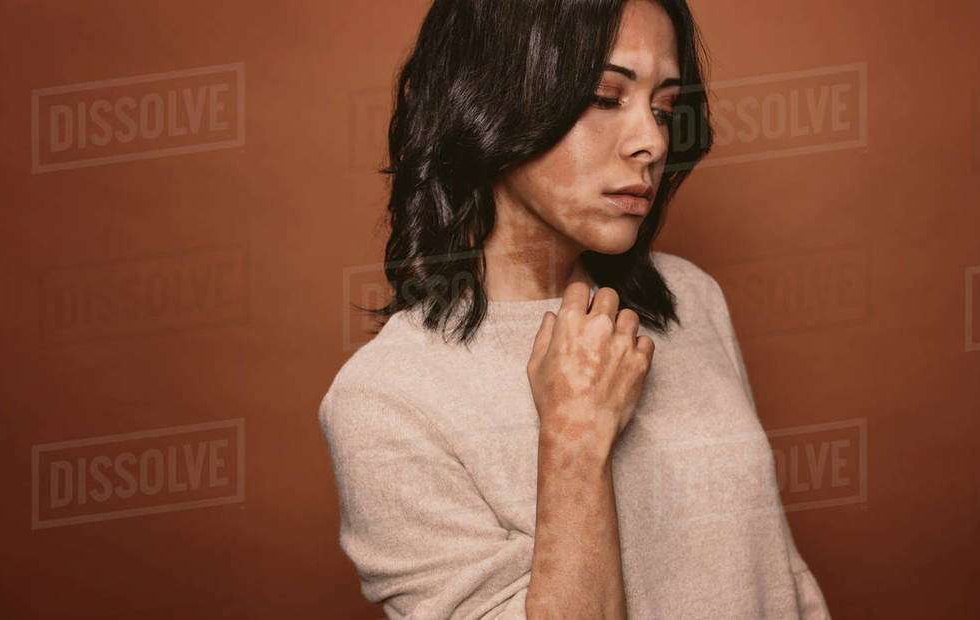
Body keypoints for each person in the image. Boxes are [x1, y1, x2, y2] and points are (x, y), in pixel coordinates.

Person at [319, 0, 831, 617]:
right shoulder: (385, 401)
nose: (650, 141)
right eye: (605, 98)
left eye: (663, 108)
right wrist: (575, 440)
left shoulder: (689, 299)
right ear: (488, 97)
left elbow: (780, 573)